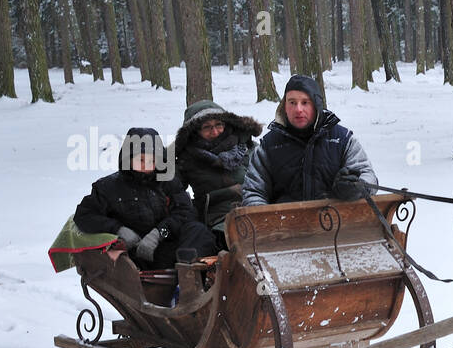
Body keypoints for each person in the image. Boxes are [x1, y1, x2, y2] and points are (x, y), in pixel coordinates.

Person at [74, 128, 217, 268]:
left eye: (151, 160)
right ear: (128, 159)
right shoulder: (108, 187)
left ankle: (188, 276)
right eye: (140, 159)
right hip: (133, 253)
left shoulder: (168, 182)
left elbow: (186, 213)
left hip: (165, 247)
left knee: (198, 230)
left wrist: (159, 233)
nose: (146, 165)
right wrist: (118, 229)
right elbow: (84, 215)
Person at [242, 75, 378, 207]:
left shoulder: (342, 139)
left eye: (305, 102)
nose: (298, 109)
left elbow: (368, 176)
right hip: (284, 227)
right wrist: (265, 220)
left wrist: (355, 187)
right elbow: (253, 192)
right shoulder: (269, 146)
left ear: (316, 105)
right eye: (292, 102)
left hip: (339, 225)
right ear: (284, 106)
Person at [172, 100, 263, 248]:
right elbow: (170, 188)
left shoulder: (247, 147)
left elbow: (269, 177)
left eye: (218, 125)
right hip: (216, 219)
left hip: (255, 210)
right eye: (206, 127)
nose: (214, 132)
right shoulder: (187, 158)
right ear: (194, 132)